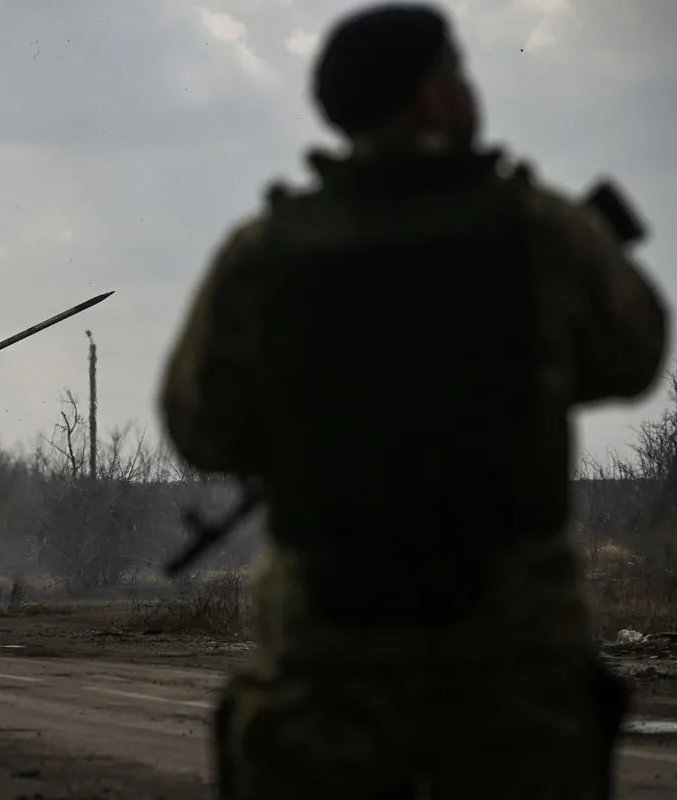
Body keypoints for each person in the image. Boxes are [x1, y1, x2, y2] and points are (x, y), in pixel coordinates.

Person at [158, 3, 667, 798]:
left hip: (332, 664)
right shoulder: (540, 232)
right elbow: (633, 356)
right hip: (512, 672)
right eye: (456, 71)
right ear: (431, 95)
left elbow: (200, 425)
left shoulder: (267, 254)